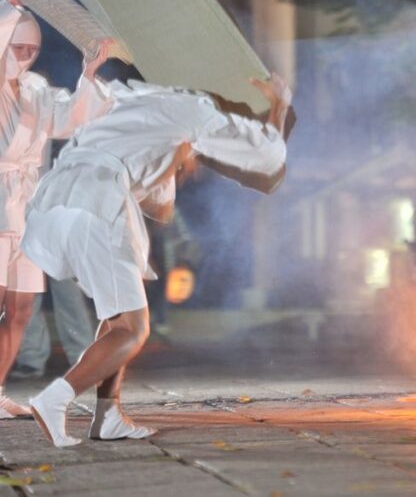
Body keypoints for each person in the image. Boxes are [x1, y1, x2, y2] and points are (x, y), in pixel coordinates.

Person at [22, 75, 292, 447]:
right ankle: (55, 398)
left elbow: (156, 206)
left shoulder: (123, 94)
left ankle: (108, 416)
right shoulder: (195, 107)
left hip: (55, 202)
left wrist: (176, 160)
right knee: (133, 329)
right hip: (98, 203)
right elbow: (268, 155)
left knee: (117, 315)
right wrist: (278, 104)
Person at [0, 0, 113, 418]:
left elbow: (70, 118)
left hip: (28, 208)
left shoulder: (35, 88)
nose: (26, 56)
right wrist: (14, 3)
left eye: (33, 49)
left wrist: (90, 73)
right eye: (17, 47)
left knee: (21, 308)